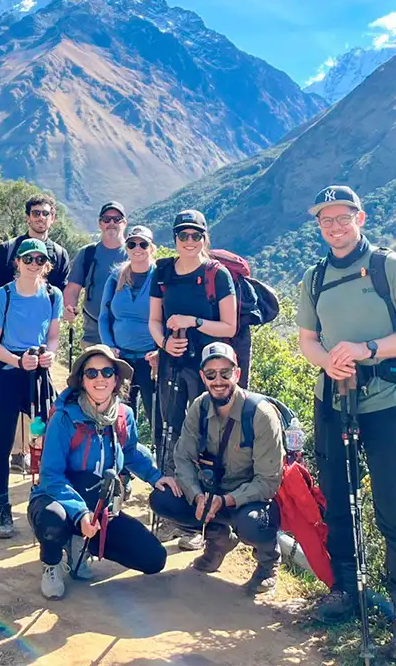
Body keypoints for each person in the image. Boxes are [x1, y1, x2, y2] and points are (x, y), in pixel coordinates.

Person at [295, 185, 396, 662]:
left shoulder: (390, 268)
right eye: (325, 220)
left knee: (394, 509)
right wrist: (327, 363)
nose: (334, 227)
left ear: (361, 218)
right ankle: (346, 590)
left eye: (342, 218)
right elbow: (307, 341)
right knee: (338, 499)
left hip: (386, 405)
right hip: (332, 400)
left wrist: (365, 351)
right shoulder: (313, 278)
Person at [28, 345, 181, 599]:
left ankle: (79, 543)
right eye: (92, 373)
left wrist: (156, 477)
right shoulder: (65, 418)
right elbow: (51, 476)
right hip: (58, 499)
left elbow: (130, 452)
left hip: (100, 505)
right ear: (81, 379)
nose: (100, 378)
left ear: (116, 378)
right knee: (52, 522)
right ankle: (52, 563)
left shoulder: (123, 415)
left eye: (107, 372)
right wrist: (80, 515)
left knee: (154, 558)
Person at [149, 342, 284, 594]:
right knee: (163, 499)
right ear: (203, 376)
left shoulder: (261, 415)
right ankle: (218, 540)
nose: (218, 380)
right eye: (211, 374)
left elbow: (269, 482)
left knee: (255, 523)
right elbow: (183, 459)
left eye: (225, 373)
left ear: (238, 374)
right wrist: (196, 494)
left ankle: (268, 563)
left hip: (249, 498)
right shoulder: (199, 407)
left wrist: (227, 500)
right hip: (210, 494)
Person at [148, 209, 238, 551]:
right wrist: (164, 342)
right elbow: (154, 320)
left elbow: (228, 327)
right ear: (174, 239)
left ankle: (202, 522)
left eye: (195, 235)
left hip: (208, 371)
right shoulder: (164, 271)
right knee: (169, 434)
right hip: (172, 364)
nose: (189, 241)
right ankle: (174, 514)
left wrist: (194, 321)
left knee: (205, 437)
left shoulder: (218, 275)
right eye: (183, 235)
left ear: (205, 237)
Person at [0, 238, 62, 539]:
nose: (33, 265)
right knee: (2, 443)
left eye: (39, 260)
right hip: (6, 374)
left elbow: (52, 336)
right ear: (17, 262)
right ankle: (2, 508)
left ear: (46, 265)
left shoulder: (53, 295)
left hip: (38, 378)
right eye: (27, 259)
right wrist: (17, 361)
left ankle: (42, 503)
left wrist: (50, 354)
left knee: (43, 439)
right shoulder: (3, 296)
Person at [0, 193, 71, 474]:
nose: (40, 217)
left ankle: (32, 456)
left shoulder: (59, 254)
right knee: (10, 401)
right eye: (35, 213)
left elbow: (59, 293)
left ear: (52, 218)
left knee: (38, 405)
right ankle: (14, 452)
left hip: (41, 342)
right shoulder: (7, 250)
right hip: (9, 339)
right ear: (27, 216)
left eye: (45, 213)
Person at [98, 225, 158, 429]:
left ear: (152, 248)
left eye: (143, 244)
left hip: (151, 362)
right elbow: (104, 316)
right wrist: (109, 346)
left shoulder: (160, 278)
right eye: (132, 243)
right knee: (119, 417)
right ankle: (120, 458)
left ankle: (160, 459)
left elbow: (169, 318)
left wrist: (161, 350)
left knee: (156, 416)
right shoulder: (116, 277)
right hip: (120, 360)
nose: (137, 248)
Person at [64, 202, 128, 346]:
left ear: (124, 223)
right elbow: (73, 290)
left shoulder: (135, 253)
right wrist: (69, 308)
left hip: (127, 334)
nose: (111, 223)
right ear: (100, 223)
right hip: (93, 333)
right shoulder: (87, 253)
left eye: (117, 219)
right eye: (106, 219)